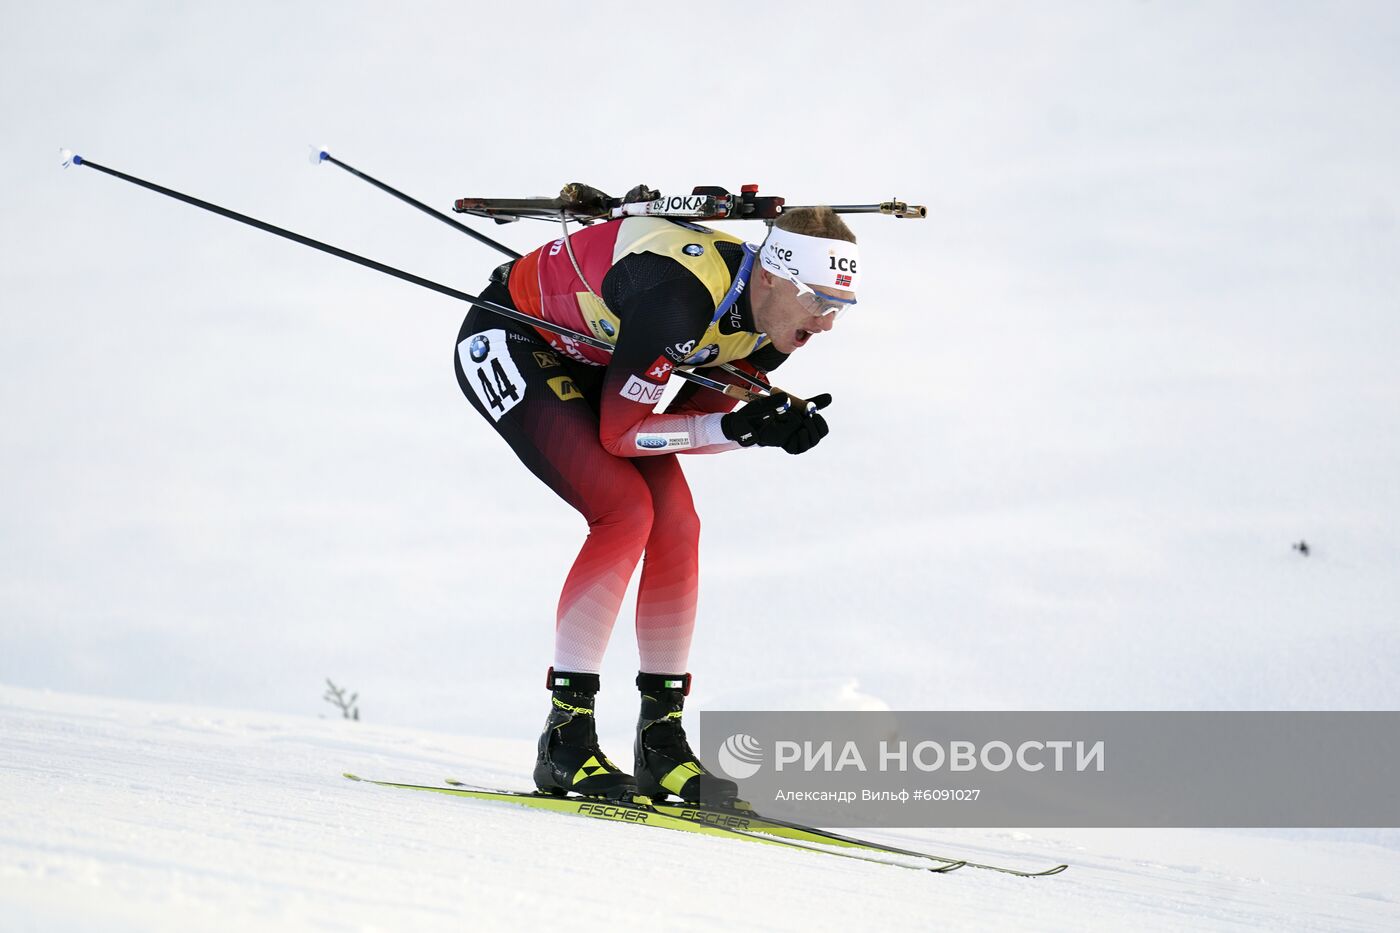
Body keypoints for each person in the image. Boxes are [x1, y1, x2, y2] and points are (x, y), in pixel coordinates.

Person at [452, 205, 860, 804]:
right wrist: (742, 431)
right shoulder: (680, 301)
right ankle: (566, 736)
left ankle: (660, 742)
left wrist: (758, 423)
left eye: (838, 306)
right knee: (624, 511)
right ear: (771, 276)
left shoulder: (775, 325)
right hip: (515, 340)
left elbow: (692, 418)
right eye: (817, 301)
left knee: (677, 524)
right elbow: (625, 433)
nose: (825, 323)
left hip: (603, 359)